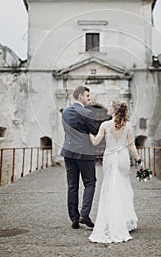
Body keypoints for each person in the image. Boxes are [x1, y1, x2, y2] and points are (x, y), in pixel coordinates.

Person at [88, 100, 144, 243]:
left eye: (110, 106)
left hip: (109, 158)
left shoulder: (105, 125)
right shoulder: (128, 126)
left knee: (109, 187)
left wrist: (88, 132)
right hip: (123, 157)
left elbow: (95, 142)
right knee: (124, 186)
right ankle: (126, 220)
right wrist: (138, 161)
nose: (107, 108)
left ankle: (110, 220)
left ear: (114, 110)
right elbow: (131, 145)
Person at [60, 86, 98, 229]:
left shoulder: (65, 112)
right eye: (87, 95)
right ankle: (84, 214)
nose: (89, 98)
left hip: (68, 152)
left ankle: (74, 219)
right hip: (84, 153)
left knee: (72, 185)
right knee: (90, 182)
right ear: (80, 96)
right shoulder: (86, 112)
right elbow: (94, 130)